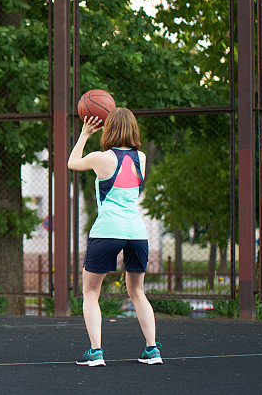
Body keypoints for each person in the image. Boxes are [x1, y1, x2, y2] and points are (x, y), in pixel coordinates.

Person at [67, 107, 162, 366]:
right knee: (138, 291)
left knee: (90, 292)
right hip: (137, 233)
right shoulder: (141, 157)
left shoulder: (101, 158)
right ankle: (152, 349)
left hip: (108, 231)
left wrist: (85, 134)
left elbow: (71, 163)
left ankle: (96, 352)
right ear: (133, 129)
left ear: (108, 129)